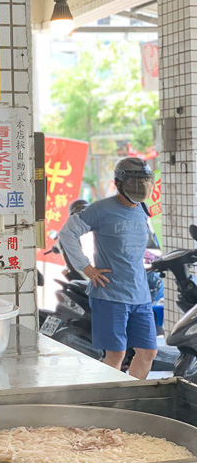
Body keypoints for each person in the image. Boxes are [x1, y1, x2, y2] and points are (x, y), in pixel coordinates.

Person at [58, 157, 157, 379]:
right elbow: (67, 233)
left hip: (140, 294)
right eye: (135, 182)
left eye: (145, 181)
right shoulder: (101, 210)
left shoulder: (142, 209)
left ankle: (131, 395)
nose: (141, 187)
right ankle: (112, 402)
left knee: (148, 351)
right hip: (110, 294)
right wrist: (86, 268)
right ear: (119, 183)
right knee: (116, 354)